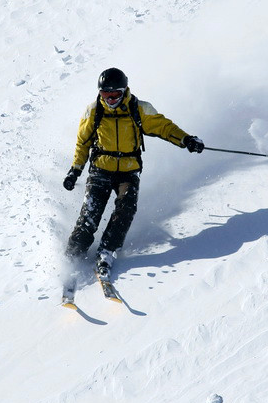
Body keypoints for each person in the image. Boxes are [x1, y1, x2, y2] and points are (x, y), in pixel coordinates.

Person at [63, 67, 204, 281]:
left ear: (124, 90)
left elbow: (164, 127)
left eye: (115, 95)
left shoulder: (138, 109)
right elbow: (83, 143)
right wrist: (75, 171)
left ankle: (106, 251)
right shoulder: (93, 111)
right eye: (105, 95)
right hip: (101, 169)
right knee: (90, 215)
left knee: (125, 210)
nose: (110, 99)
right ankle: (72, 255)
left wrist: (186, 139)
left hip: (128, 171)